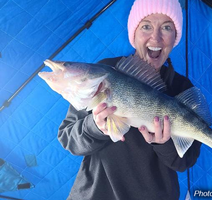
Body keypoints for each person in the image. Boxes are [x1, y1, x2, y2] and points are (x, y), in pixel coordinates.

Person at [58, 0, 204, 199]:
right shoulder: (103, 74)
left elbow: (185, 162)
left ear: (175, 36)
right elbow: (68, 138)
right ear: (133, 34)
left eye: (167, 27)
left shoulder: (182, 88)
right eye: (146, 26)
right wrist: (95, 126)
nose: (156, 37)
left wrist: (164, 143)